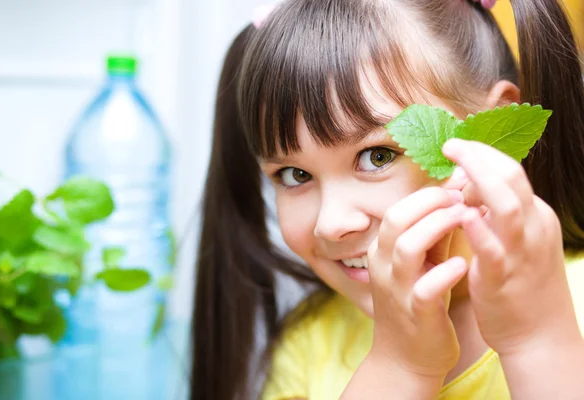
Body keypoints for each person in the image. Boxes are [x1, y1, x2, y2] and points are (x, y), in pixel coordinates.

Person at [190, 0, 584, 398]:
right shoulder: (308, 348)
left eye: (377, 156)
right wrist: (400, 367)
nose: (332, 222)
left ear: (490, 137)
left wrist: (538, 340)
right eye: (295, 175)